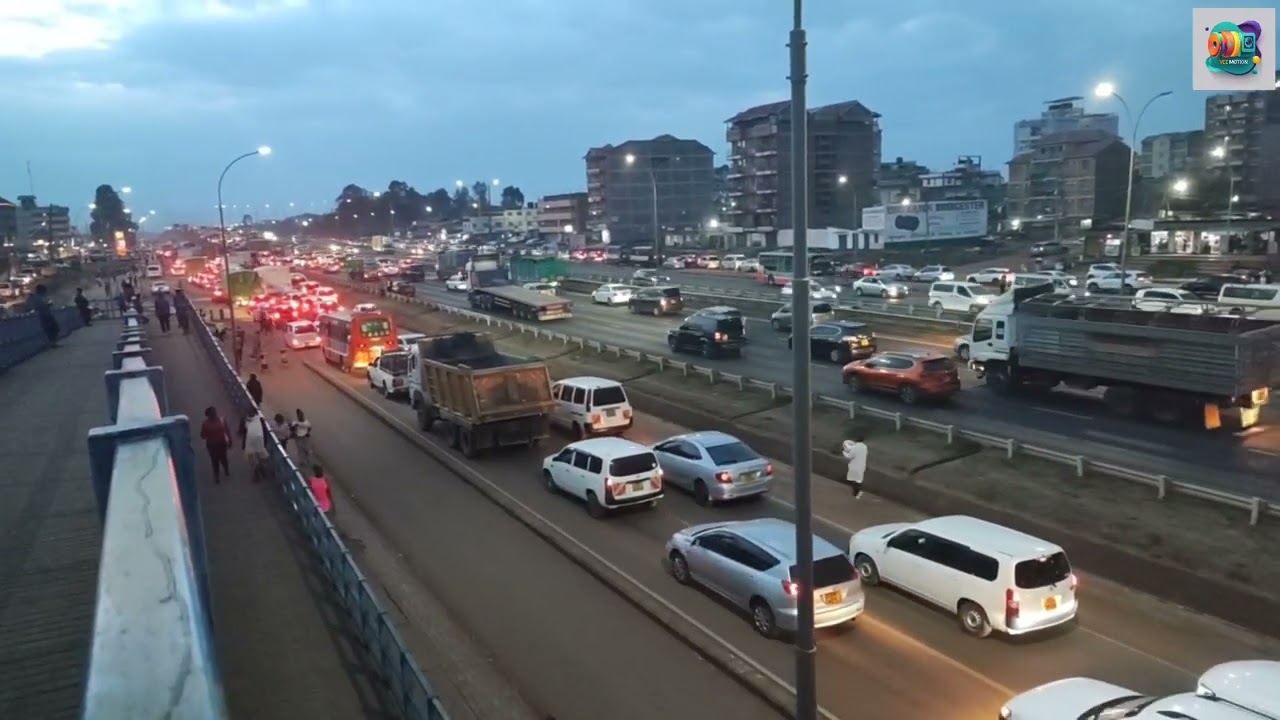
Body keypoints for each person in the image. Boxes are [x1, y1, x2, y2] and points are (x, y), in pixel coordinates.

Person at [199, 406, 233, 483]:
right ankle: (224, 471)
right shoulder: (221, 421)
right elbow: (226, 430)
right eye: (214, 412)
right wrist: (230, 440)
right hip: (218, 444)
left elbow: (203, 435)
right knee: (221, 459)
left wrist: (230, 439)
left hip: (214, 445)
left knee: (216, 460)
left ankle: (218, 475)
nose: (215, 414)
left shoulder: (205, 423)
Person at [239, 410, 269, 483]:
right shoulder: (246, 420)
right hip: (251, 443)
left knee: (261, 459)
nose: (250, 414)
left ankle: (261, 472)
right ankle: (257, 475)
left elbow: (264, 430)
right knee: (254, 461)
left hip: (258, 443)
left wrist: (265, 441)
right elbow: (242, 432)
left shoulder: (259, 420)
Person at [842, 435, 868, 499]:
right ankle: (857, 493)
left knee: (853, 479)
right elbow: (866, 454)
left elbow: (849, 456)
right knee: (859, 480)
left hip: (855, 465)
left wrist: (843, 452)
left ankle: (857, 492)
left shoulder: (854, 447)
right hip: (862, 465)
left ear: (856, 440)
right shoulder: (865, 447)